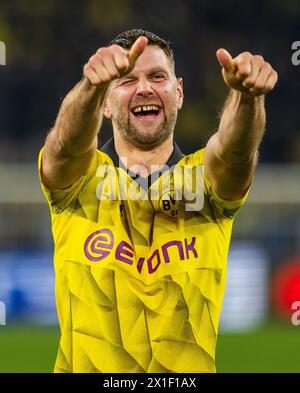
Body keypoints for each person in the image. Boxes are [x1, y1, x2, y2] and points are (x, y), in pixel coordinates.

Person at [38, 29, 277, 373]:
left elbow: (235, 153)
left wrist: (247, 97)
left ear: (178, 92)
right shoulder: (81, 180)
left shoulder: (204, 183)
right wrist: (91, 86)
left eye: (157, 76)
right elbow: (65, 147)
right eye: (126, 80)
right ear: (105, 103)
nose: (145, 88)